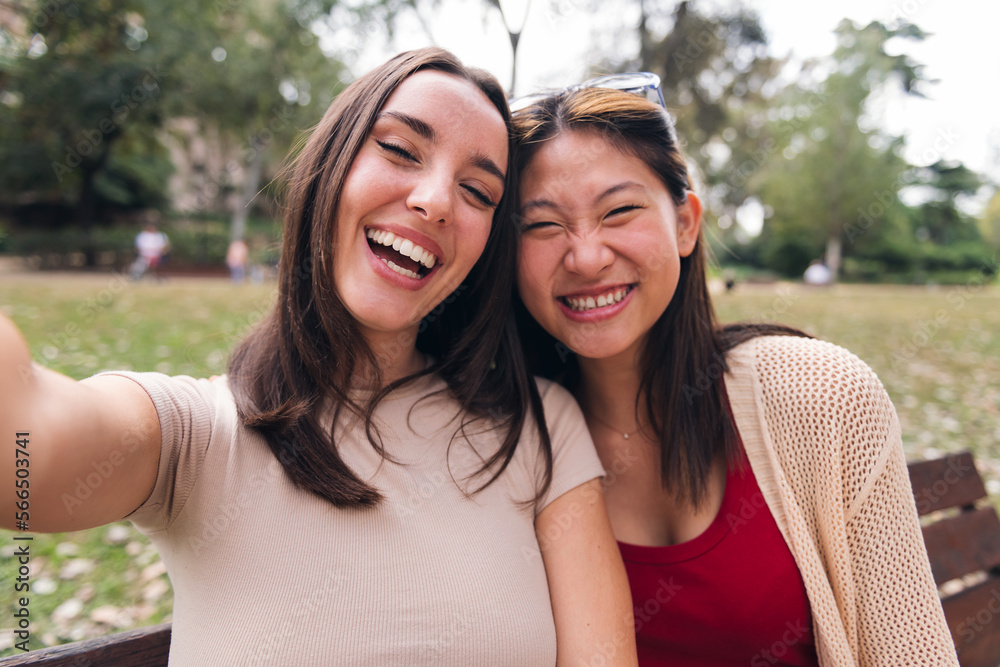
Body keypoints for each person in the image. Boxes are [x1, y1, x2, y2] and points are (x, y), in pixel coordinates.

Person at [0, 48, 636, 666]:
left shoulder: (539, 427)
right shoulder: (196, 434)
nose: (437, 201)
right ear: (330, 167)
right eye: (398, 149)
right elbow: (26, 446)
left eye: (477, 191)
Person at [510, 81, 959, 665]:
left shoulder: (821, 396)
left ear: (686, 225)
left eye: (619, 210)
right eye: (542, 225)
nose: (587, 256)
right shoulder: (506, 444)